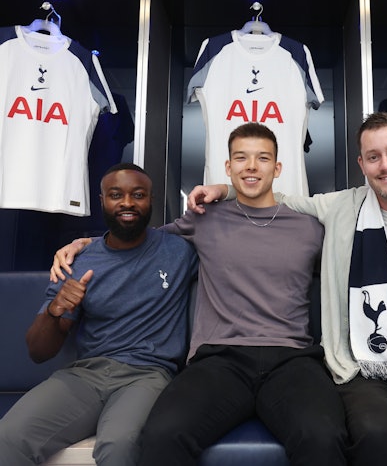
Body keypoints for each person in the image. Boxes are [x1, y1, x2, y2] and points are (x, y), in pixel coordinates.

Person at [188, 112, 387, 465]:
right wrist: (224, 189)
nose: (385, 165)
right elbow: (273, 198)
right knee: (374, 437)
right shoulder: (338, 209)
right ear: (362, 164)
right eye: (373, 157)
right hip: (369, 374)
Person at [50, 123, 348, 466]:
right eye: (241, 157)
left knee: (323, 437)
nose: (251, 166)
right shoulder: (204, 219)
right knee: (163, 435)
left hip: (292, 358)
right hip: (221, 358)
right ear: (228, 167)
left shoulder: (309, 227)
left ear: (277, 168)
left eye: (262, 158)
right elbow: (135, 242)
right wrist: (85, 244)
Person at [0, 163, 198, 466]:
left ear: (151, 201)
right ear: (102, 200)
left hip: (147, 375)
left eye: (138, 194)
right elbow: (39, 352)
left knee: (119, 444)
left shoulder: (179, 251)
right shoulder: (78, 262)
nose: (128, 203)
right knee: (8, 438)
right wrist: (55, 311)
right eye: (116, 195)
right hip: (85, 376)